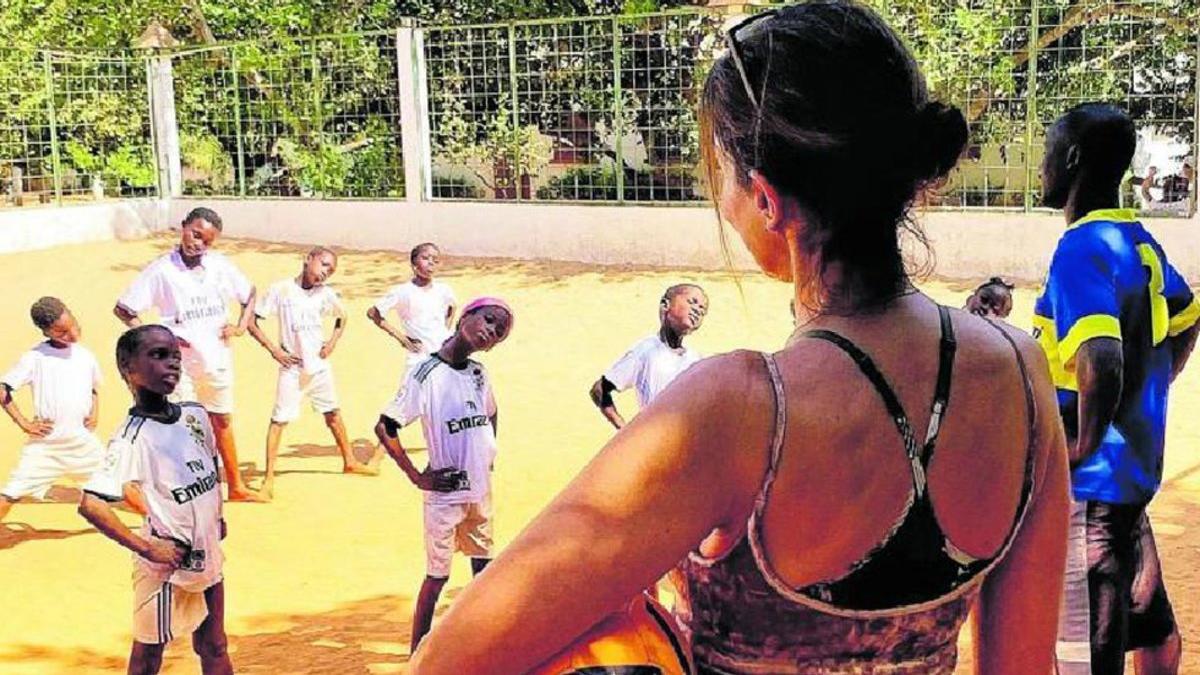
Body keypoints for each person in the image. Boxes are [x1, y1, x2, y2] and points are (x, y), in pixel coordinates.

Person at [408, 3, 1070, 674]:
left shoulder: (735, 408)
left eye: (720, 171)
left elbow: (445, 659)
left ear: (765, 198)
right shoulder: (1018, 369)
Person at [1038, 104, 1198, 675]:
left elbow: (1100, 358)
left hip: (1088, 493)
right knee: (1156, 637)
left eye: (1047, 153)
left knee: (1081, 659)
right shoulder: (1137, 239)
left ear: (1072, 159)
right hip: (1129, 487)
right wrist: (1146, 392)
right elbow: (1186, 315)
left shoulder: (1080, 249)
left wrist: (1081, 443)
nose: (1042, 169)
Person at [78, 325, 232, 675]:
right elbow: (91, 504)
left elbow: (211, 462)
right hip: (167, 569)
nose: (172, 364)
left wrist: (216, 516)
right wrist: (148, 549)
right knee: (148, 659)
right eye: (158, 355)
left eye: (175, 355)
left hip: (207, 556)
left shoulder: (195, 415)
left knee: (214, 645)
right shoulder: (132, 438)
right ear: (127, 367)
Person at [373, 298, 512, 654]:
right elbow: (386, 426)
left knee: (484, 571)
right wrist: (417, 476)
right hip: (445, 495)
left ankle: (485, 643)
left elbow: (491, 412)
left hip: (480, 491)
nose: (491, 332)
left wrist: (489, 453)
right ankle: (417, 651)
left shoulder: (479, 374)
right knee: (437, 578)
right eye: (489, 321)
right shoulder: (424, 373)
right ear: (466, 316)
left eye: (499, 333)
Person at [113, 207, 262, 502]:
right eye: (194, 233)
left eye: (206, 241)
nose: (197, 243)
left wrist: (242, 326)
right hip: (179, 365)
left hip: (217, 359)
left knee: (221, 420)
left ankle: (236, 485)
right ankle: (172, 487)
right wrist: (156, 340)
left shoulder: (220, 266)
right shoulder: (161, 271)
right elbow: (124, 309)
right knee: (178, 424)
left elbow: (250, 293)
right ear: (183, 227)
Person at [246, 247, 377, 499]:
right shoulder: (281, 289)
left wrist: (332, 342)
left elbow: (342, 317)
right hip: (292, 368)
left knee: (333, 414)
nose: (325, 272)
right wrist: (274, 350)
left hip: (318, 367)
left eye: (330, 270)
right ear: (308, 260)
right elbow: (253, 321)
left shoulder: (325, 294)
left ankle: (349, 460)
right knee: (278, 421)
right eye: (324, 265)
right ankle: (268, 479)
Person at [0, 297, 103, 530]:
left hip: (82, 443)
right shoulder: (35, 358)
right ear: (46, 331)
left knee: (120, 484)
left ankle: (160, 528)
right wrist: (25, 424)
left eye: (73, 326)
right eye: (62, 332)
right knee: (12, 493)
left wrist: (94, 412)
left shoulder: (85, 355)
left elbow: (93, 387)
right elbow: (2, 389)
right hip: (45, 446)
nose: (73, 335)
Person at [588, 284, 707, 429]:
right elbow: (599, 390)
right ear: (665, 305)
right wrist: (624, 431)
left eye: (702, 310)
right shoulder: (647, 350)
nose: (697, 311)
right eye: (692, 302)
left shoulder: (696, 360)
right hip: (657, 440)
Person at [367, 243, 457, 380]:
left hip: (443, 353)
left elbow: (452, 307)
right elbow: (373, 313)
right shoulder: (403, 291)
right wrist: (402, 339)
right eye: (426, 258)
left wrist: (445, 329)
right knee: (410, 396)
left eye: (435, 260)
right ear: (414, 263)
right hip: (419, 356)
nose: (431, 262)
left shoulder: (444, 289)